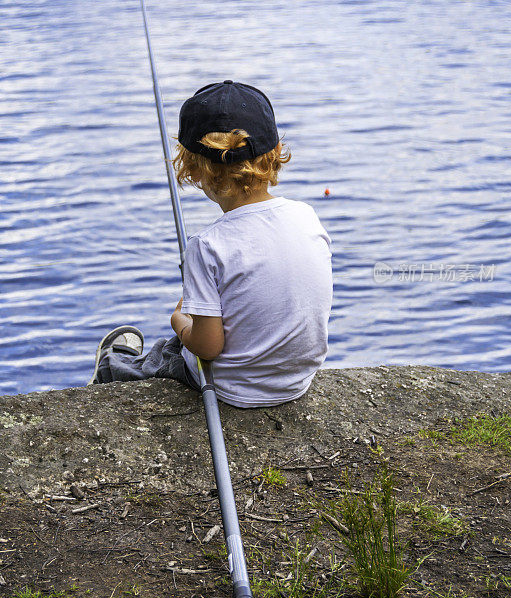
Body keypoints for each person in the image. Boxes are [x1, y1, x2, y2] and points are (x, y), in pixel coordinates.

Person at [89, 80, 333, 408]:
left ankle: (109, 365)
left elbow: (208, 347)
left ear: (195, 170)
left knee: (167, 353)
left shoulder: (206, 246)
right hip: (295, 382)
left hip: (235, 390)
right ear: (274, 153)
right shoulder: (307, 217)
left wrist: (181, 322)